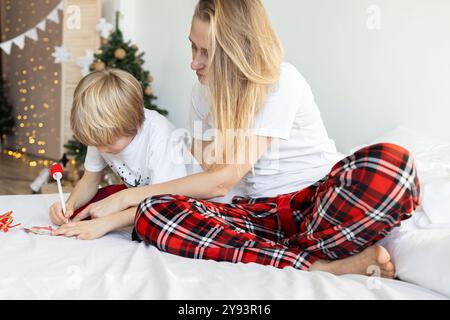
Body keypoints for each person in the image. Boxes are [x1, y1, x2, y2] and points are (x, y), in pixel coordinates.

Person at [53, 0, 421, 279]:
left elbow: (222, 179)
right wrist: (151, 204)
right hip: (257, 214)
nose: (193, 63)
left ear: (236, 51)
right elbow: (207, 180)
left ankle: (288, 250)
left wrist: (128, 195)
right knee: (156, 213)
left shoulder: (280, 82)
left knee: (391, 166)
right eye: (192, 47)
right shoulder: (202, 94)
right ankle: (319, 264)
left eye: (205, 52)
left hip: (314, 201)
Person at [49, 69, 189, 229]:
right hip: (139, 197)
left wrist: (106, 224)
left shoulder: (161, 135)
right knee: (85, 209)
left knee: (155, 228)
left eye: (108, 143)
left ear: (135, 124)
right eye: (96, 144)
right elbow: (90, 179)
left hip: (177, 202)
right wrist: (69, 206)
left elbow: (165, 203)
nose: (101, 150)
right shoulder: (101, 133)